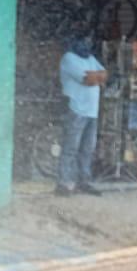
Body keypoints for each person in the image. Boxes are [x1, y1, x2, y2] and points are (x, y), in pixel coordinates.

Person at [56, 33, 106, 196]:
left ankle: (83, 182)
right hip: (76, 108)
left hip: (92, 111)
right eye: (84, 41)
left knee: (87, 149)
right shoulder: (69, 58)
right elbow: (88, 79)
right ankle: (64, 183)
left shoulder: (90, 58)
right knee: (71, 147)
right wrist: (95, 77)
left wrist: (96, 77)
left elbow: (104, 75)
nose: (87, 44)